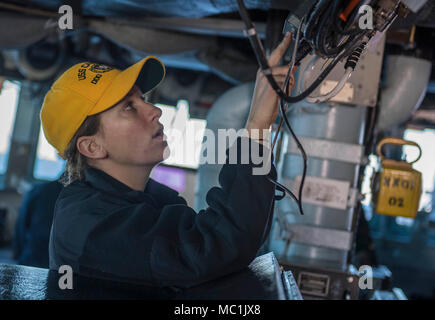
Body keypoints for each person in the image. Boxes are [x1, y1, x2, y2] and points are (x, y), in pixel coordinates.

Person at [41, 33, 295, 288]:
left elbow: (230, 243)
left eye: (142, 99)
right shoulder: (91, 223)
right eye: (129, 107)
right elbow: (216, 249)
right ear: (92, 146)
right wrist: (257, 126)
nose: (155, 110)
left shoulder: (149, 198)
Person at [13, 180, 63, 268]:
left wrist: (17, 252)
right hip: (61, 265)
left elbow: (21, 225)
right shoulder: (82, 196)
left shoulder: (39, 190)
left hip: (32, 256)